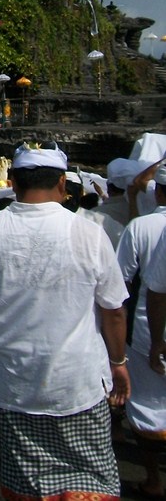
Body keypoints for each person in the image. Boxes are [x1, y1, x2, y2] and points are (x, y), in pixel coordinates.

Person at [0, 142, 130, 501]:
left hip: (14, 378)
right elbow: (114, 309)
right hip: (76, 378)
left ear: (13, 181)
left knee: (28, 481)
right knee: (91, 478)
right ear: (62, 183)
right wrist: (119, 363)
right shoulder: (88, 231)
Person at [117, 168, 166, 498]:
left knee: (148, 406)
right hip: (151, 325)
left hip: (150, 327)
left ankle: (154, 480)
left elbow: (121, 280)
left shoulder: (142, 226)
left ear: (159, 192)